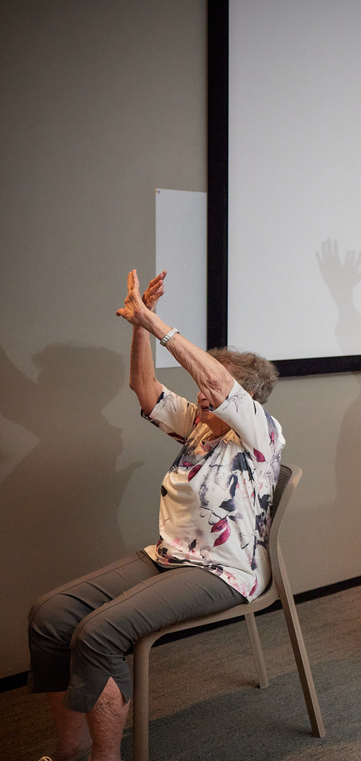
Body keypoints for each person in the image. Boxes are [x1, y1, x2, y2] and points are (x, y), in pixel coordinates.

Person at [28, 270, 283, 761]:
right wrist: (138, 328)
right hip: (172, 555)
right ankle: (71, 750)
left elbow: (214, 380)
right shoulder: (201, 424)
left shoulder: (258, 433)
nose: (200, 393)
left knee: (99, 632)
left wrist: (155, 319)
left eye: (209, 388)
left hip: (226, 570)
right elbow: (144, 389)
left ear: (236, 397)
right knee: (51, 613)